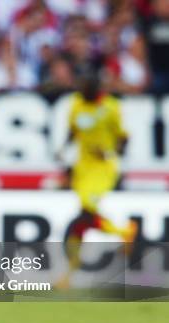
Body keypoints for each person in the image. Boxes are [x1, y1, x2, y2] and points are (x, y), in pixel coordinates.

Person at [55, 74, 138, 288]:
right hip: (83, 168)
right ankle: (68, 276)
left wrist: (111, 151)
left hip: (102, 168)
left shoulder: (111, 107)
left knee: (86, 213)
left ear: (95, 87)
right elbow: (72, 131)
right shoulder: (76, 104)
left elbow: (124, 138)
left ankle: (124, 232)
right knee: (83, 221)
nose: (81, 91)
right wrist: (63, 151)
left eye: (84, 87)